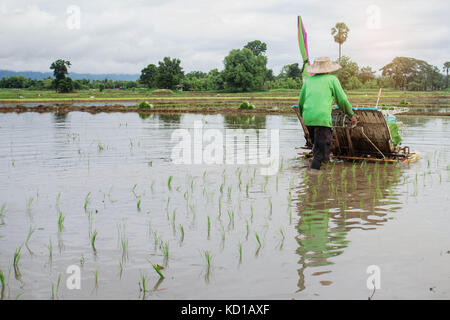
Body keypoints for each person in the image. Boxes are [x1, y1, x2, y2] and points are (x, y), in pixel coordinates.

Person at [298, 56, 357, 170]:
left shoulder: (308, 81)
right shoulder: (332, 79)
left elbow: (301, 101)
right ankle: (313, 177)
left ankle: (323, 177)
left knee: (319, 148)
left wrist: (303, 115)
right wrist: (351, 115)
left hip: (309, 119)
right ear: (329, 69)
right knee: (319, 153)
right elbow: (342, 100)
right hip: (322, 119)